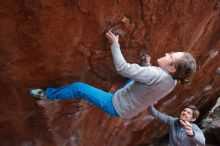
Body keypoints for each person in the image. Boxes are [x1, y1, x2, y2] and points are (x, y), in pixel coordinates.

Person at [28, 30, 197, 119]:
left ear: (172, 69)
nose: (168, 53)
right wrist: (146, 65)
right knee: (136, 75)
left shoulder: (154, 74)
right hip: (130, 106)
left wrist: (115, 44)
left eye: (171, 56)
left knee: (79, 88)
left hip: (115, 105)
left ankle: (47, 95)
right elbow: (153, 84)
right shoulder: (173, 82)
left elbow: (123, 68)